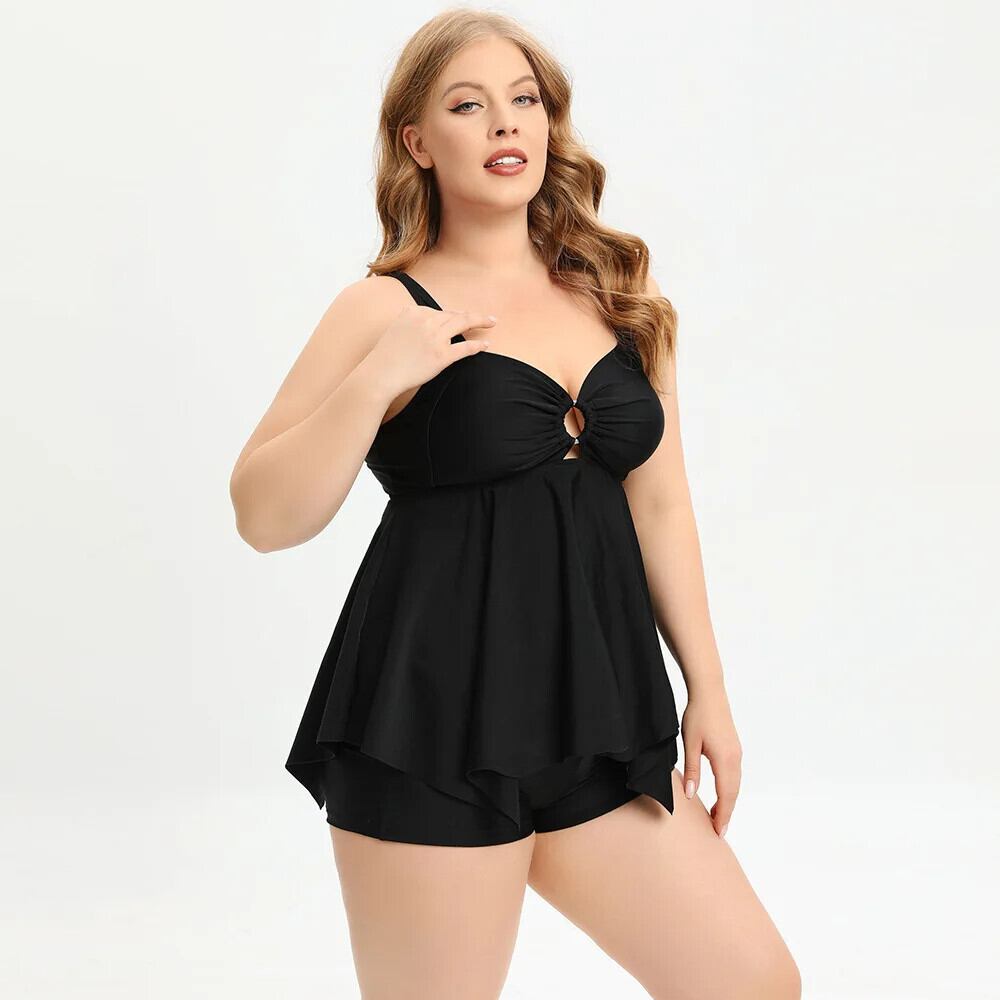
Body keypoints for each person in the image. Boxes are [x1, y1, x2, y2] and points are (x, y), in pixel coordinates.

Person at [229, 9, 800, 999]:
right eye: (468, 105)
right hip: (429, 730)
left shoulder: (620, 294)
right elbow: (263, 516)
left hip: (598, 716)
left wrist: (706, 686)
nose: (504, 123)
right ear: (418, 142)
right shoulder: (382, 307)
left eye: (523, 100)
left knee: (752, 982)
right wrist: (378, 379)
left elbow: (661, 504)